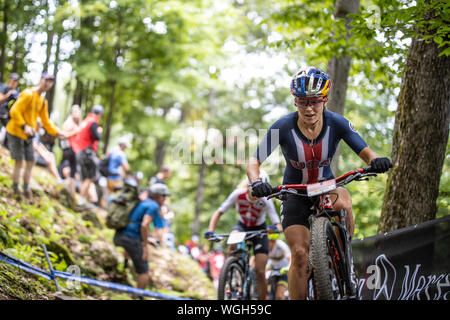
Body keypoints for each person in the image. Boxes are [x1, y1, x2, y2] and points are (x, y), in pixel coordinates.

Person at [246, 66, 393, 300]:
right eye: (303, 102)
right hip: (295, 193)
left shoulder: (337, 123)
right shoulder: (283, 126)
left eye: (315, 101)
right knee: (300, 255)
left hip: (326, 186)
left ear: (324, 100)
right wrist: (255, 182)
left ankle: (346, 262)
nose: (309, 108)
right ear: (295, 101)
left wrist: (377, 161)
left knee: (343, 199)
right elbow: (254, 160)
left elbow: (366, 152)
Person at [204, 171, 283, 300]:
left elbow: (277, 224)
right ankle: (231, 270)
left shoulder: (266, 200)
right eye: (256, 191)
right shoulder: (237, 195)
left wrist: (275, 228)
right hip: (242, 226)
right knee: (233, 239)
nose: (259, 196)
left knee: (260, 270)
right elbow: (218, 212)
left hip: (260, 229)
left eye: (262, 192)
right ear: (248, 186)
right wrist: (211, 230)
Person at [5, 72, 66, 201]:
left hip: (29, 135)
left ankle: (26, 188)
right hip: (16, 131)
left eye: (50, 82)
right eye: (46, 80)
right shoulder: (28, 93)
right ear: (41, 79)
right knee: (19, 162)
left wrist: (57, 132)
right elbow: (14, 111)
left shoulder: (42, 100)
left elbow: (46, 121)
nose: (47, 84)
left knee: (31, 161)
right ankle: (16, 189)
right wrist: (24, 126)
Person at [113, 181, 167, 290]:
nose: (165, 199)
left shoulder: (143, 202)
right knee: (144, 272)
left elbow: (136, 223)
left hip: (120, 235)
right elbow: (144, 224)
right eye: (164, 196)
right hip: (130, 238)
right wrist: (145, 246)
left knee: (130, 253)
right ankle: (138, 296)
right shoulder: (153, 206)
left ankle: (123, 271)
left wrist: (147, 239)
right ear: (158, 196)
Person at [71, 104, 104, 206]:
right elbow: (96, 136)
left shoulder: (85, 121)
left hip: (79, 151)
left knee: (84, 177)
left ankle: (81, 199)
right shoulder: (93, 122)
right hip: (87, 153)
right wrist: (100, 132)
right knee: (90, 177)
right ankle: (82, 200)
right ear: (100, 114)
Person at [58, 104, 82, 195]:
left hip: (74, 149)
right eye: (76, 112)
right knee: (66, 168)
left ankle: (70, 191)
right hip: (68, 148)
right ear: (71, 113)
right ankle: (63, 187)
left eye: (79, 112)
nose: (78, 114)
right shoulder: (68, 123)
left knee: (73, 170)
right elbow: (64, 135)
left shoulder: (76, 124)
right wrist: (76, 131)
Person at [267, 233, 291, 300]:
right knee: (272, 297)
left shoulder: (281, 245)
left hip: (283, 272)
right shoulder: (266, 247)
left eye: (268, 241)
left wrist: (288, 267)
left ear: (273, 241)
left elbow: (290, 257)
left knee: (279, 296)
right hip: (273, 272)